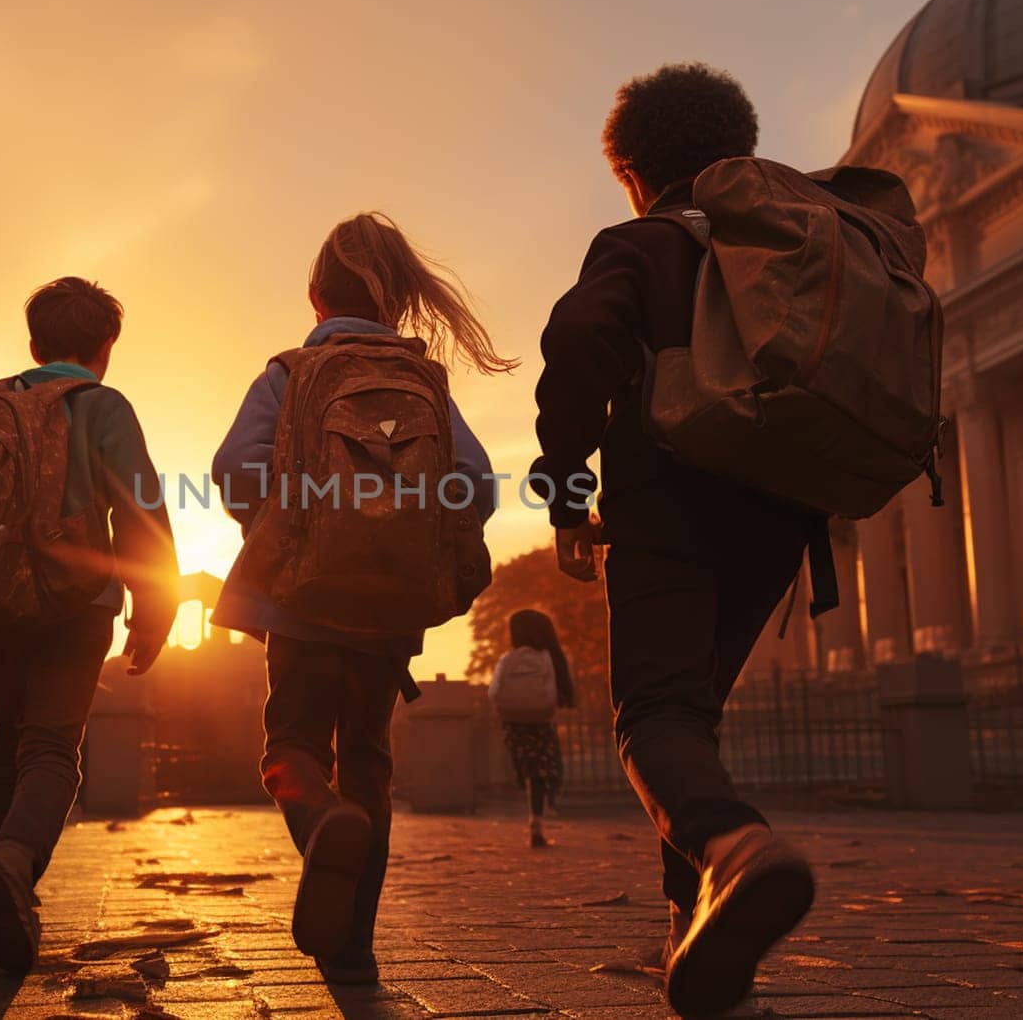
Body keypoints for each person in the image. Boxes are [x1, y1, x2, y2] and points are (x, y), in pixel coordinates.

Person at [531, 64, 817, 1016]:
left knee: (652, 716)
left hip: (668, 505)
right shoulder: (793, 249)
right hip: (781, 514)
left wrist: (568, 493)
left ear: (632, 172)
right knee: (691, 714)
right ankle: (687, 930)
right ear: (738, 149)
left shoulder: (644, 244)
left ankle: (736, 848)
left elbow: (579, 343)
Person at [212, 213, 510, 985]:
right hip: (389, 620)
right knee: (369, 761)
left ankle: (321, 821)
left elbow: (235, 467)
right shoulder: (425, 384)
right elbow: (475, 484)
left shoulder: (291, 373)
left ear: (315, 296)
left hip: (301, 610)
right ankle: (356, 947)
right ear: (400, 304)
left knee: (290, 749)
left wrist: (294, 529)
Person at [0, 277, 179, 974]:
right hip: (77, 604)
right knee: (54, 749)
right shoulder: (102, 405)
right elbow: (142, 510)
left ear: (33, 344)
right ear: (105, 348)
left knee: (8, 743)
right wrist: (155, 610)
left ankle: (7, 898)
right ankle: (12, 864)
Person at [487, 609, 576, 847]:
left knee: (526, 770)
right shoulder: (549, 657)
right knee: (544, 770)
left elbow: (493, 692)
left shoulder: (508, 659)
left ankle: (522, 781)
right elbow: (559, 690)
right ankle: (539, 816)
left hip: (514, 725)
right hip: (541, 723)